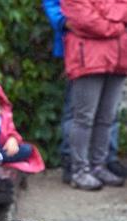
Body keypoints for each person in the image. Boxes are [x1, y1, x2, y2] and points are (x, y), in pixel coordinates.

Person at [41, 0, 127, 184]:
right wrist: (117, 25)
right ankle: (78, 169)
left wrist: (102, 15)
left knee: (107, 117)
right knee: (83, 117)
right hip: (88, 59)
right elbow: (82, 19)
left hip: (119, 58)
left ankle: (99, 166)